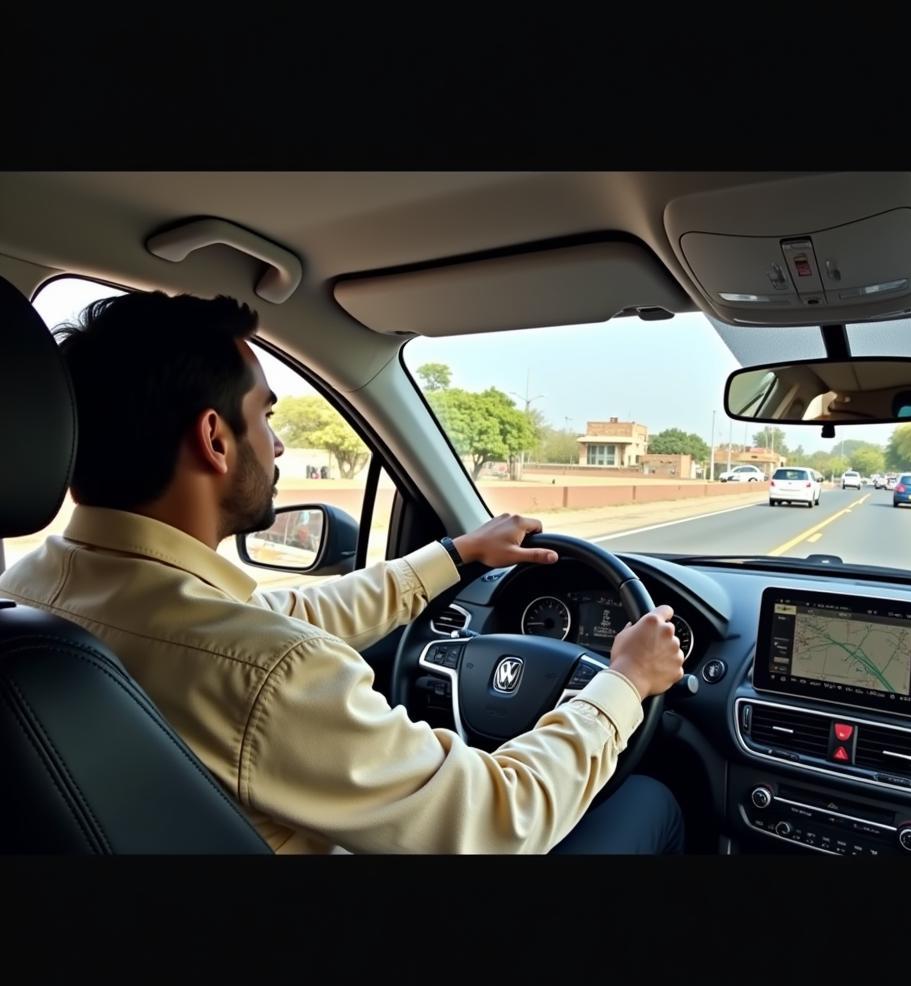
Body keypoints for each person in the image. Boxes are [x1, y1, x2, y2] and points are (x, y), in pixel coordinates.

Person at [0, 291, 686, 855]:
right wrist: (624, 683)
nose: (278, 442)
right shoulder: (263, 670)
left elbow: (282, 621)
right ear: (214, 440)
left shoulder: (28, 596)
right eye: (264, 417)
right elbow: (496, 821)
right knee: (651, 802)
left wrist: (455, 555)